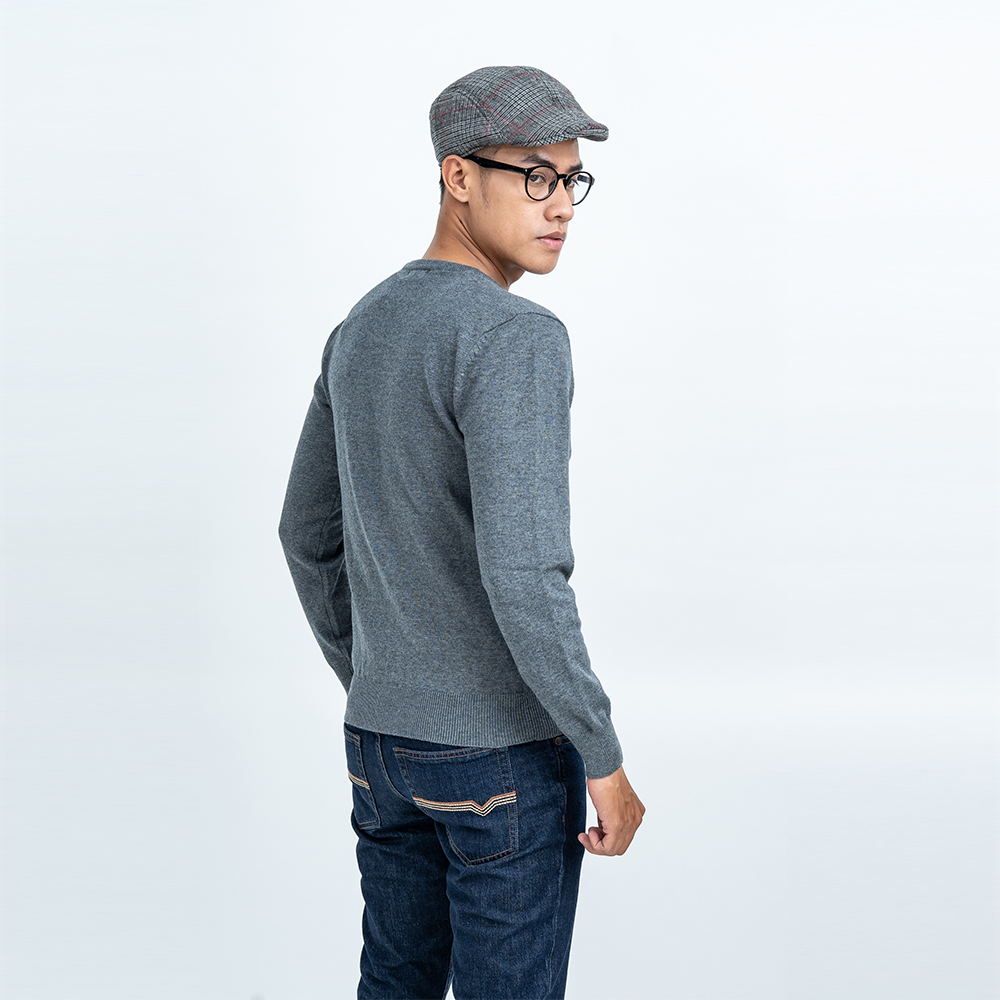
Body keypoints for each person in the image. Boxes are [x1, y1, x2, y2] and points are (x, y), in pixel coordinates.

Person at [278, 65, 644, 1000]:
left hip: (379, 746)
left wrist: (379, 675)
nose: (560, 205)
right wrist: (601, 755)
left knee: (393, 985)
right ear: (457, 177)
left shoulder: (362, 327)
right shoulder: (514, 336)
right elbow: (525, 571)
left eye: (571, 179)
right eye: (535, 175)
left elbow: (303, 534)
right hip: (501, 758)